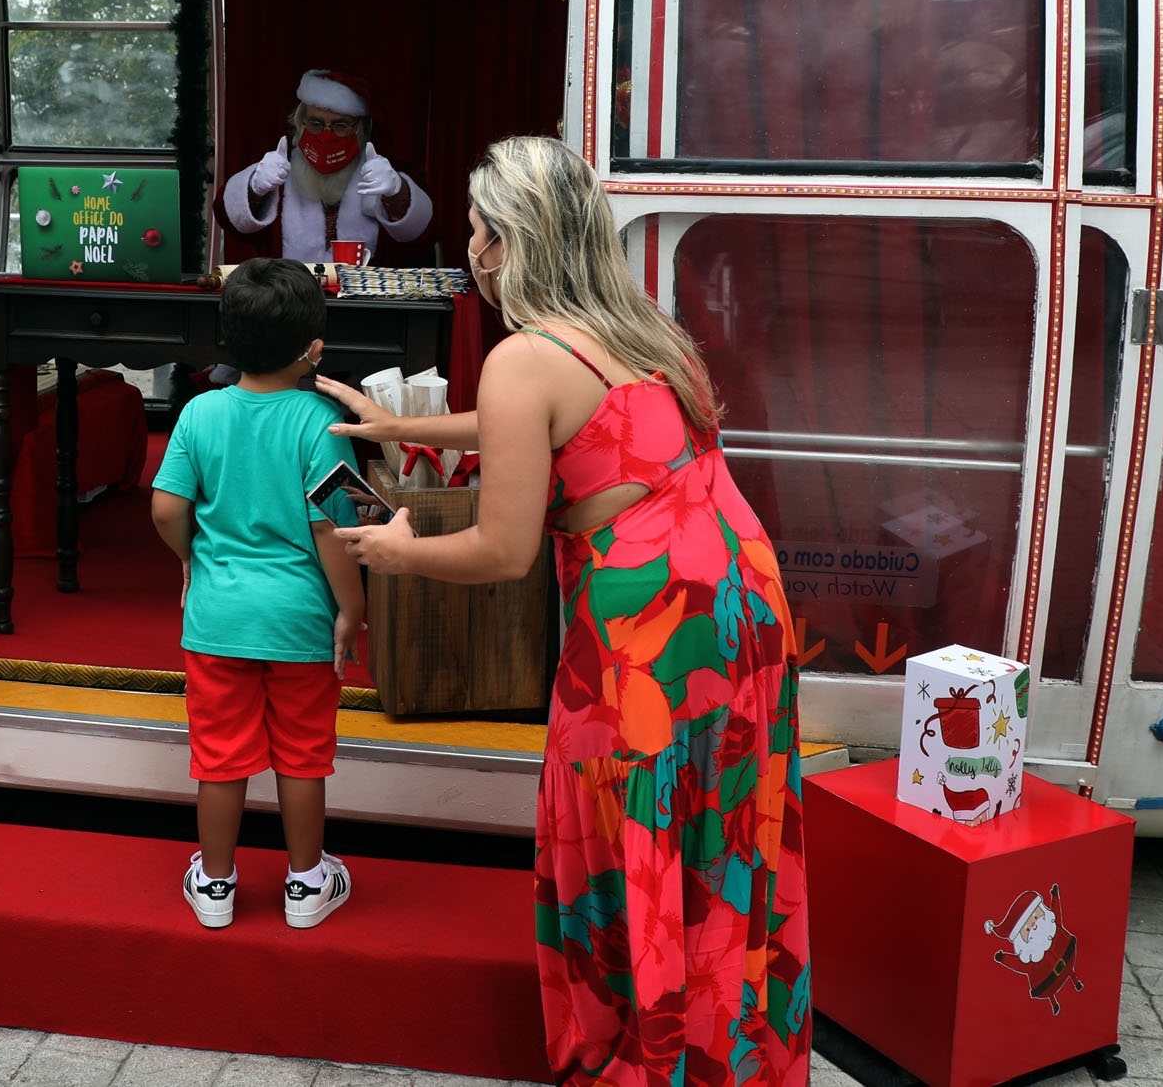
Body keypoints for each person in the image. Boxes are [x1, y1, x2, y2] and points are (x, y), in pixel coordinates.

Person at [319, 137, 808, 1087]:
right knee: (718, 835)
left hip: (644, 629)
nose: (468, 247)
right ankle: (725, 1050)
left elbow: (502, 550)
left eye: (475, 228)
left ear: (508, 242)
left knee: (625, 838)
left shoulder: (521, 356)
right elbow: (550, 422)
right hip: (738, 603)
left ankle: (641, 1058)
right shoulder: (642, 330)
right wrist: (398, 426)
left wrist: (396, 556)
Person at [150, 257, 369, 931]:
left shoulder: (199, 413)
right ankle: (306, 883)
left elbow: (165, 508)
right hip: (300, 619)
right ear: (313, 348)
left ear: (227, 338)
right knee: (302, 755)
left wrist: (191, 559)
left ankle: (215, 883)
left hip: (218, 619)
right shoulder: (323, 421)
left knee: (220, 756)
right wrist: (352, 607)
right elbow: (333, 526)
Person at [222, 70, 432, 263]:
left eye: (340, 125)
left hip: (364, 290)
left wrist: (396, 194)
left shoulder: (382, 174)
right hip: (290, 289)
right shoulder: (277, 171)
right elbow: (235, 225)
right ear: (301, 123)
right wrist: (254, 188)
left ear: (360, 129)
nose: (326, 136)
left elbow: (420, 240)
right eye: (316, 123)